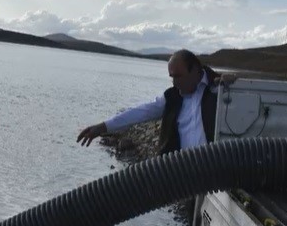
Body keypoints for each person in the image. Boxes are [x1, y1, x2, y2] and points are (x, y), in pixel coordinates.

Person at [77, 49, 219, 154]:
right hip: (179, 178)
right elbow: (142, 112)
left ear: (195, 70)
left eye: (178, 76)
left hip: (214, 180)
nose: (174, 83)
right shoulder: (172, 97)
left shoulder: (221, 89)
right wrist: (103, 127)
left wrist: (232, 84)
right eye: (172, 77)